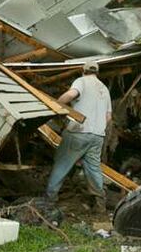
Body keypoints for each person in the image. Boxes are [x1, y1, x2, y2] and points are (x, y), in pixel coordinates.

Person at [44, 60, 112, 213]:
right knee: (93, 169)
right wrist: (97, 127)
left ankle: (49, 199)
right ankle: (100, 203)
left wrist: (55, 105)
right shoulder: (104, 89)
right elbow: (108, 117)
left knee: (62, 164)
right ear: (97, 72)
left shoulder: (81, 81)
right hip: (97, 136)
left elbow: (71, 94)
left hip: (78, 132)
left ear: (83, 70)